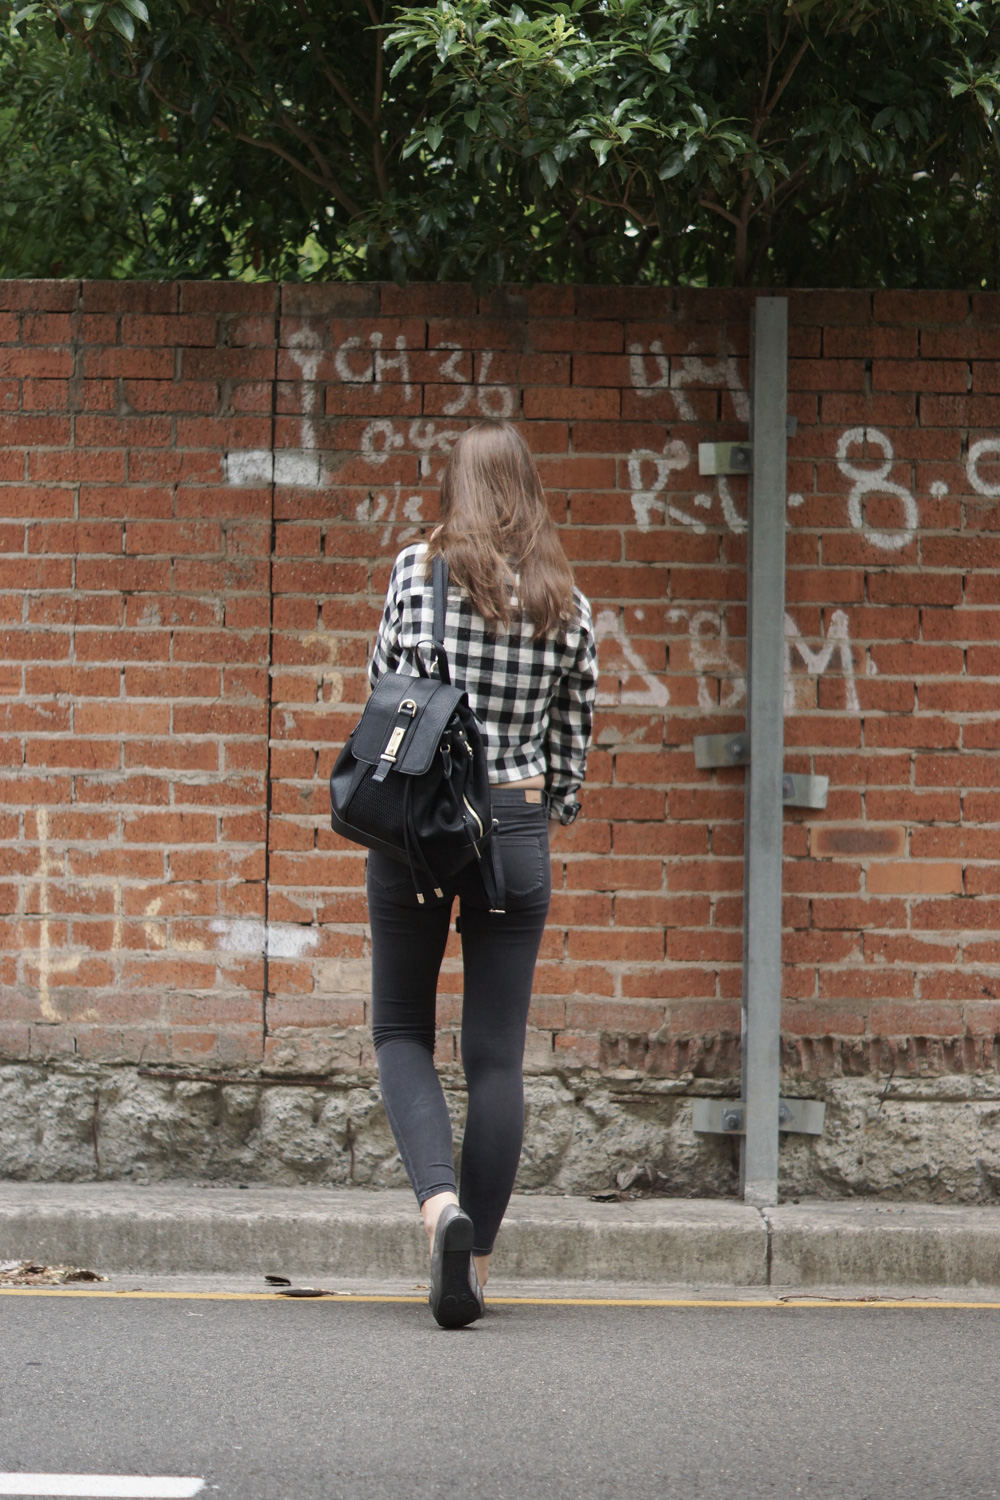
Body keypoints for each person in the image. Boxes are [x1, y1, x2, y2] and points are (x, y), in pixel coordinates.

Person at [365, 419, 598, 1328]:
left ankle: (439, 1211)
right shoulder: (568, 604)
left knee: (399, 1031)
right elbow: (574, 743)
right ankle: (479, 1264)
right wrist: (546, 807)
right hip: (512, 826)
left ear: (456, 489)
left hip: (420, 826)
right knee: (497, 1054)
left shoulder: (415, 575)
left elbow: (384, 686)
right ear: (530, 492)